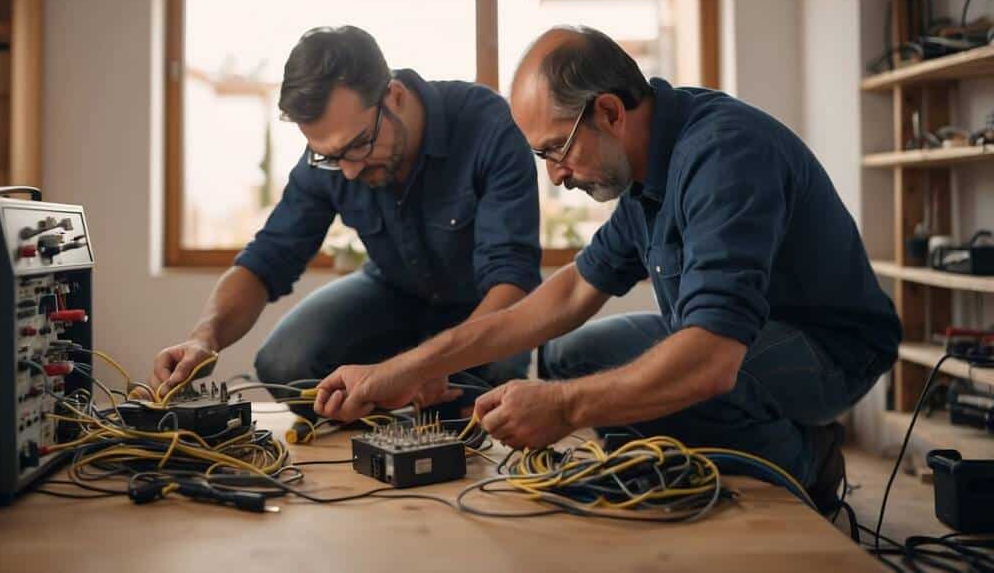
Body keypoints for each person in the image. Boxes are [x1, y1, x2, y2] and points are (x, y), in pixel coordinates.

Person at [313, 25, 901, 512]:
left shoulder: (724, 157)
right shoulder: (646, 170)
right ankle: (693, 454)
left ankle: (803, 461)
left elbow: (711, 360)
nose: (555, 175)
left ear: (610, 112)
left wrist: (564, 408)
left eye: (554, 149)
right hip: (733, 339)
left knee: (683, 381)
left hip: (829, 350)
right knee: (573, 357)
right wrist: (399, 370)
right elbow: (568, 295)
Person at [147, 25, 542, 413]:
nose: (349, 172)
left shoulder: (490, 127)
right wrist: (205, 338)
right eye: (329, 157)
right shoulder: (334, 159)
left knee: (491, 383)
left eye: (358, 146)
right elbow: (267, 258)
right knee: (284, 364)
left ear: (395, 96)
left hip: (483, 304)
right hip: (394, 289)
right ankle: (380, 432)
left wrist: (419, 367)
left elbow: (513, 282)